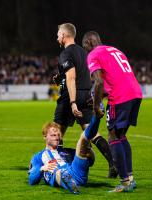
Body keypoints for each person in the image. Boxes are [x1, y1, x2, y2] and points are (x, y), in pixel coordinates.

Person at [53, 23, 117, 178]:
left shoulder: (65, 53)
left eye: (58, 34)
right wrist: (60, 78)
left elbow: (72, 77)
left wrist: (73, 102)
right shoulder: (84, 52)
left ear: (64, 35)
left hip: (71, 96)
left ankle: (59, 167)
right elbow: (85, 74)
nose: (57, 37)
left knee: (56, 132)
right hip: (86, 94)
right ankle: (113, 163)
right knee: (92, 133)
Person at [82, 31, 143, 192]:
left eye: (85, 47)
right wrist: (99, 97)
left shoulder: (93, 55)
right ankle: (129, 178)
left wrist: (96, 107)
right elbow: (114, 78)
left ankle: (124, 182)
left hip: (120, 97)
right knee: (121, 135)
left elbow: (99, 81)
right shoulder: (114, 50)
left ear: (88, 42)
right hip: (135, 93)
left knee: (113, 136)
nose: (86, 51)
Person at [28, 116, 101, 194]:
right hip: (58, 174)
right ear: (45, 137)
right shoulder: (38, 156)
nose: (57, 138)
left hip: (76, 172)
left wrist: (89, 151)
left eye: (58, 135)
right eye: (53, 135)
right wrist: (42, 168)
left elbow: (91, 162)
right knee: (57, 172)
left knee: (82, 140)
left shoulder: (69, 151)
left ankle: (97, 116)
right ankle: (70, 184)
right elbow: (32, 180)